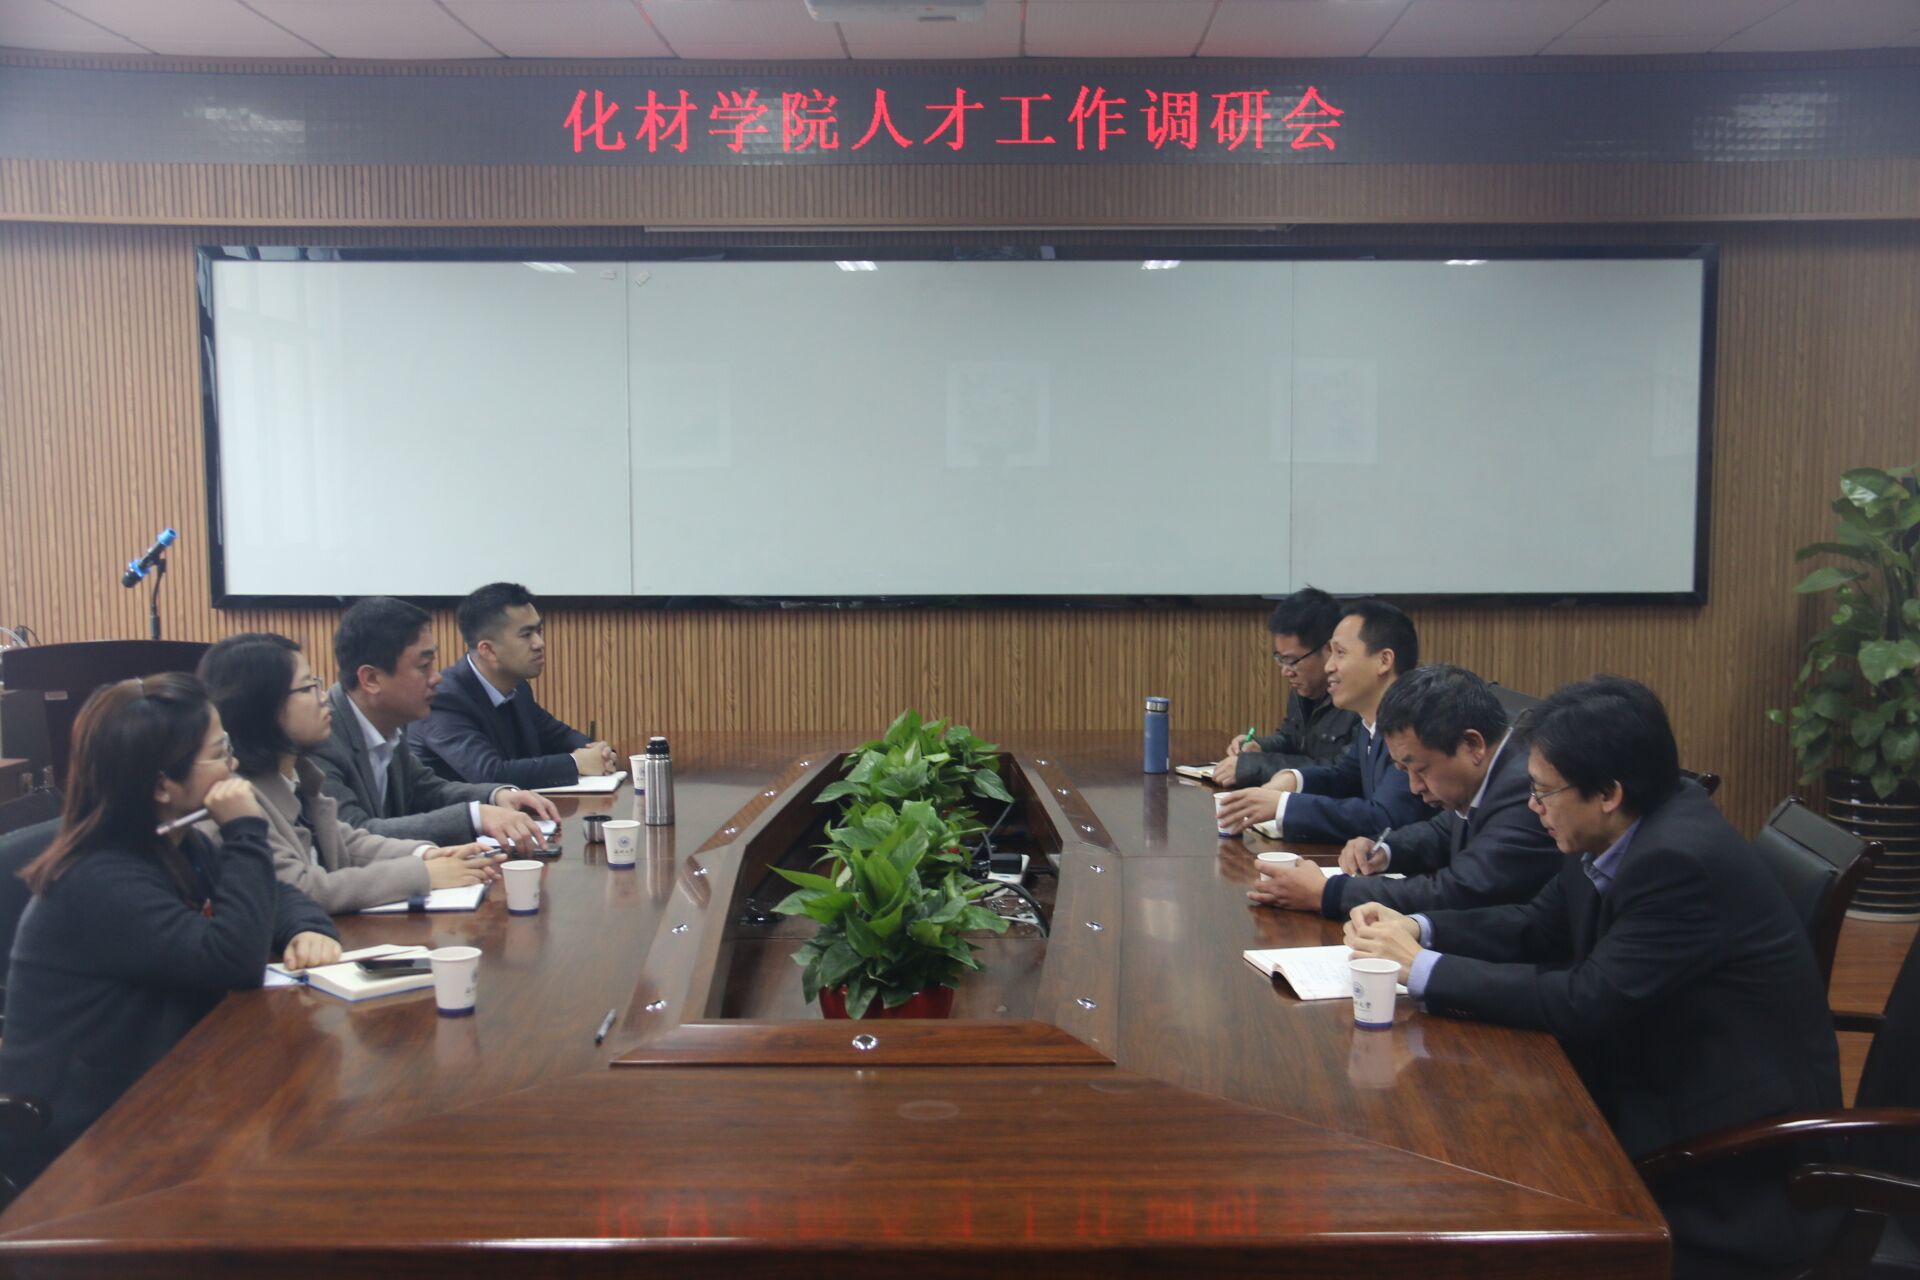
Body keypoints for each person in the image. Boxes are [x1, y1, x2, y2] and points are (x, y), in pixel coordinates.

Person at [1344, 677, 1842, 1277]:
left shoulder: (1678, 860)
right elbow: (1538, 925)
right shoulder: (1616, 828)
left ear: (1608, 792)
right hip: (1645, 1079)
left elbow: (1586, 1000)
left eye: (1542, 791)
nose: (1532, 806)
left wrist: (1423, 969)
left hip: (1724, 1163)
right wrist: (1419, 929)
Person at [0, 675, 340, 1188]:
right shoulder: (99, 879)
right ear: (162, 785)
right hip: (81, 1141)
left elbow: (273, 897)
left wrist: (305, 929)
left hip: (168, 1089)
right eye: (220, 754)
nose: (234, 768)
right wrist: (244, 827)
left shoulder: (174, 845)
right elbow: (233, 962)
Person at [198, 634, 503, 915]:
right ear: (261, 707)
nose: (322, 697)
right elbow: (300, 889)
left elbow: (348, 842)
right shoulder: (235, 799)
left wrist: (426, 855)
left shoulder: (297, 776)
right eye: (307, 688)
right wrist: (421, 875)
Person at [1247, 664, 1560, 918]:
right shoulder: (1489, 772)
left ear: (1472, 745)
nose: (1414, 786)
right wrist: (1384, 850)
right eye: (1403, 770)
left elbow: (1458, 892)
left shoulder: (1524, 790)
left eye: (1420, 769)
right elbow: (1443, 830)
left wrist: (1328, 893)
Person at [311, 596, 560, 850]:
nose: (436, 678)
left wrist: (496, 796)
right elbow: (354, 834)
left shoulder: (389, 721)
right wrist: (475, 817)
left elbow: (426, 790)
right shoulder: (320, 738)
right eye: (424, 666)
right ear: (371, 679)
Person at [1215, 599, 1428, 842]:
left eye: (1340, 653)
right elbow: (1343, 778)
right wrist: (1292, 780)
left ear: (1384, 661)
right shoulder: (1372, 721)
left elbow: (1384, 819)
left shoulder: (1414, 723)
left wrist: (1284, 805)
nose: (1329, 666)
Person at [412, 582, 617, 789]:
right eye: (526, 634)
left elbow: (557, 736)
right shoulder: (443, 698)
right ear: (488, 650)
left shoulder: (518, 688)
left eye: (539, 631)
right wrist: (576, 763)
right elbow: (490, 774)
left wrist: (599, 752)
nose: (539, 643)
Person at [1211, 586, 1361, 787]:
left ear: (1328, 649)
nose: (1286, 671)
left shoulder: (1356, 697)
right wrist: (1259, 747)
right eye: (1281, 659)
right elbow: (1291, 740)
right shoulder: (1303, 688)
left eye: (1292, 660)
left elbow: (1341, 772)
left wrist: (1256, 766)